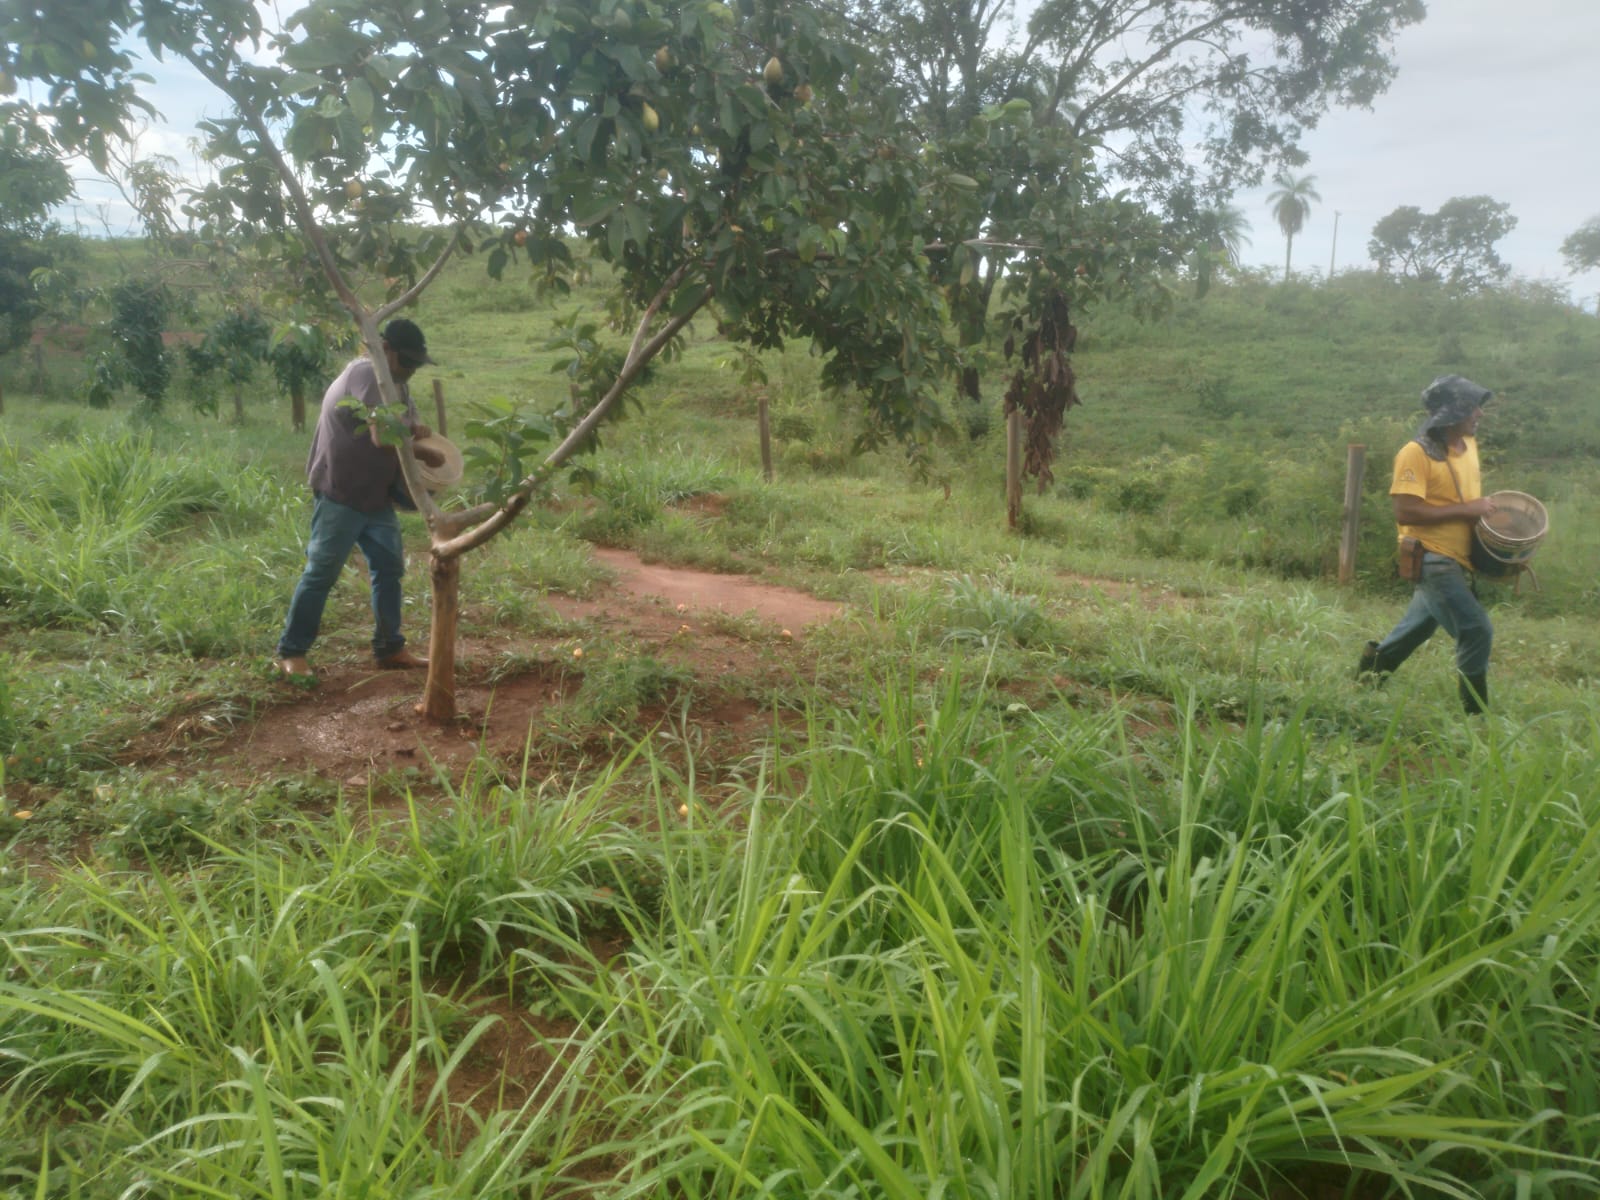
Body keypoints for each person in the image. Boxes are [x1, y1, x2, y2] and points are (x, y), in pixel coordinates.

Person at [275, 318, 446, 678]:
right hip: (341, 493)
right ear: (385, 350)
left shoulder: (396, 385)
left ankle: (389, 648)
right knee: (321, 572)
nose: (412, 370)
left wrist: (418, 430)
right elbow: (383, 437)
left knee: (389, 569)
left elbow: (403, 427)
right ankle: (292, 651)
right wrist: (421, 449)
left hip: (375, 497)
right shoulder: (367, 374)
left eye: (417, 364)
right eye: (408, 362)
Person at [1356, 374, 1497, 713]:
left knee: (1417, 627)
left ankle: (1367, 678)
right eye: (1472, 408)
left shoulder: (1468, 446)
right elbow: (1407, 511)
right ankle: (1476, 715)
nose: (1479, 414)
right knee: (1476, 630)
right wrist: (1468, 510)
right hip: (1432, 558)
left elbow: (1465, 501)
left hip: (1456, 556)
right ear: (1451, 414)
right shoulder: (1415, 453)